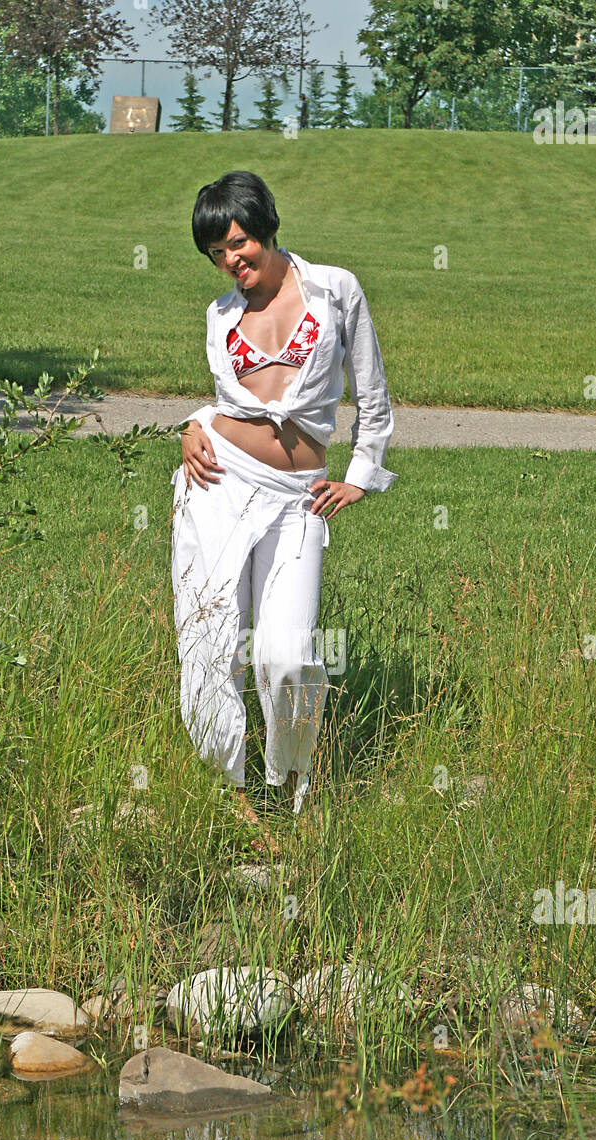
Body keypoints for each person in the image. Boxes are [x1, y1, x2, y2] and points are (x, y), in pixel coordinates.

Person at [171, 169, 396, 845]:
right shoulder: (220, 315)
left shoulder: (335, 290)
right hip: (216, 485)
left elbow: (373, 394)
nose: (231, 261)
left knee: (287, 651)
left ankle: (294, 785)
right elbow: (228, 404)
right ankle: (228, 790)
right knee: (210, 641)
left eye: (238, 243)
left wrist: (361, 473)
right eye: (216, 253)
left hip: (299, 498)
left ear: (267, 227)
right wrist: (189, 426)